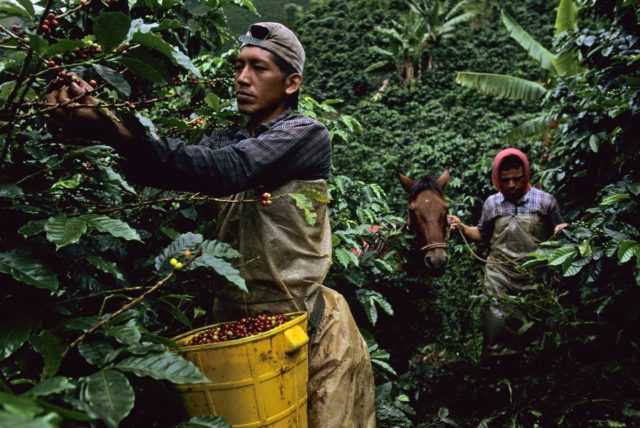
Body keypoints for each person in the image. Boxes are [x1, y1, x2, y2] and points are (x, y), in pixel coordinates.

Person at [47, 22, 376, 427]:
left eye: (258, 68)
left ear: (291, 83)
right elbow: (175, 166)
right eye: (239, 66)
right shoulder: (228, 139)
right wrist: (103, 124)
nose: (241, 78)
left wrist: (113, 127)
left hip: (306, 326)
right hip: (236, 325)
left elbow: (226, 169)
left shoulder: (305, 135)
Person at [448, 148, 568, 357]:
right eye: (505, 180)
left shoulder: (545, 201)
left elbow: (560, 230)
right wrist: (462, 227)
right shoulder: (492, 204)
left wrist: (562, 230)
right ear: (497, 179)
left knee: (536, 324)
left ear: (526, 175)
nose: (511, 185)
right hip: (499, 275)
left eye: (517, 179)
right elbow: (481, 234)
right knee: (495, 323)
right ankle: (498, 366)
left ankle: (536, 366)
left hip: (535, 274)